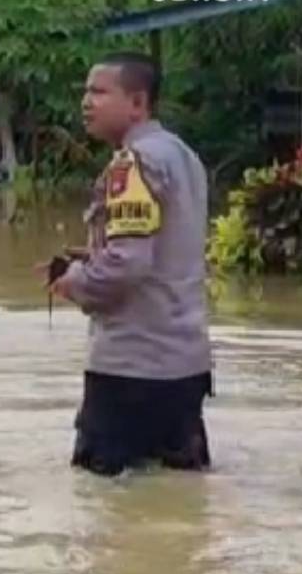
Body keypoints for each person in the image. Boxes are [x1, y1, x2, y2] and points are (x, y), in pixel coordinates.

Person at [48, 52, 214, 477]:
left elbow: (126, 266)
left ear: (138, 103)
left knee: (103, 505)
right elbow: (163, 250)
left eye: (100, 92)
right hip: (185, 364)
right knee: (178, 505)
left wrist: (74, 281)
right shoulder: (183, 156)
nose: (86, 102)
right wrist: (92, 255)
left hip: (131, 367)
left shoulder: (132, 164)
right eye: (86, 91)